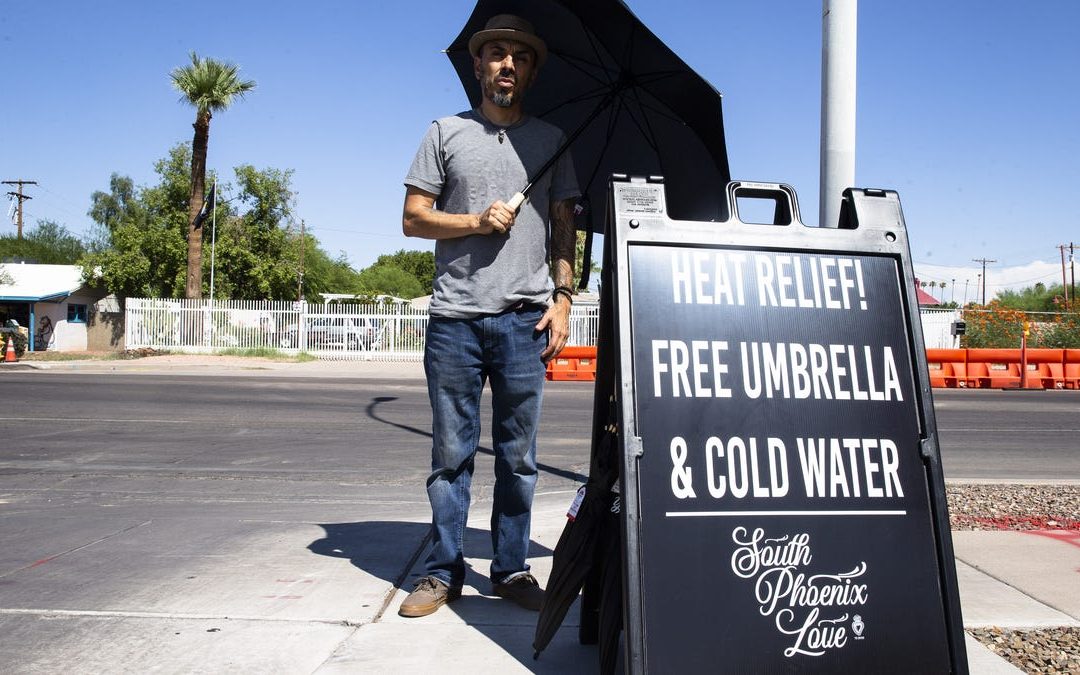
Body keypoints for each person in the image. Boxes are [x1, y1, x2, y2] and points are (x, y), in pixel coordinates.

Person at [398, 14, 579, 618]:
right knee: (450, 455)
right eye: (496, 54)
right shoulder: (445, 132)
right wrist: (476, 222)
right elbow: (414, 217)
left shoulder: (553, 140)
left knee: (518, 456)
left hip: (526, 320)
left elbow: (564, 227)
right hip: (455, 320)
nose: (507, 65)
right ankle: (441, 571)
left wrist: (563, 299)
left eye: (519, 57)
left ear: (529, 71)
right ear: (478, 65)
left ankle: (511, 568)